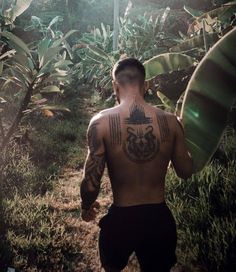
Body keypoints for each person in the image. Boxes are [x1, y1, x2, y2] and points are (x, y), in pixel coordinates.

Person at [80, 58, 193, 272]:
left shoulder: (100, 123)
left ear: (115, 86)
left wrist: (86, 206)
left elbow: (91, 181)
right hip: (158, 219)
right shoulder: (170, 122)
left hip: (121, 220)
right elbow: (185, 172)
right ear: (146, 85)